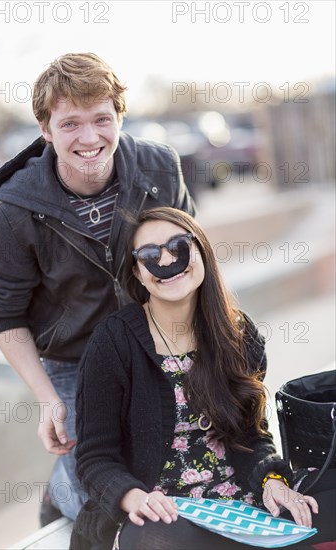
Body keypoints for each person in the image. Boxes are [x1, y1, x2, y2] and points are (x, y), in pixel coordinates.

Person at [0, 53, 195, 523]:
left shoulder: (160, 169)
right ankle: (60, 488)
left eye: (101, 118)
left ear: (120, 116)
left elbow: (190, 260)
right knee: (105, 503)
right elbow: (5, 317)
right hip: (72, 360)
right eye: (70, 123)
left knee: (176, 476)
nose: (90, 137)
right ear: (45, 129)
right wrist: (47, 399)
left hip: (154, 339)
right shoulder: (12, 210)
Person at [70, 207, 336, 550]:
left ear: (201, 251)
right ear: (137, 272)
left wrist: (272, 480)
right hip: (163, 512)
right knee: (157, 540)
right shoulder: (113, 343)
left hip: (241, 500)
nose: (166, 260)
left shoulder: (239, 333)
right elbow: (94, 458)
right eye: (149, 254)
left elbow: (251, 436)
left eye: (179, 245)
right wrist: (133, 497)